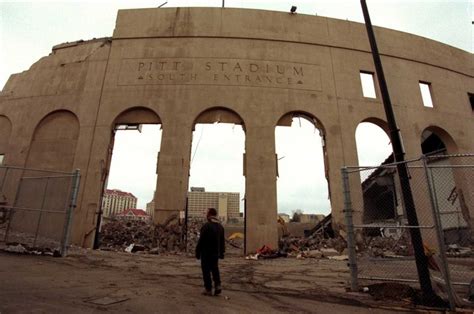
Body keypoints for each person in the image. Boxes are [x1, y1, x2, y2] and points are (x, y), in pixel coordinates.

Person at [195, 207, 225, 296]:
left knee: (206, 270)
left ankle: (208, 289)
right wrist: (222, 252)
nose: (205, 215)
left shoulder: (206, 226)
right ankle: (218, 285)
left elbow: (201, 240)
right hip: (215, 253)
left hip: (206, 252)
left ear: (209, 215)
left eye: (206, 213)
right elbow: (222, 241)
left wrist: (197, 252)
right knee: (215, 268)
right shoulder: (220, 227)